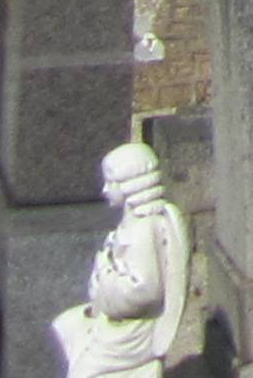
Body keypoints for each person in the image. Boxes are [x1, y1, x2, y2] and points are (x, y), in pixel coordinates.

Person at [53, 140, 190, 376]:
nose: (105, 190)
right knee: (68, 325)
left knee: (84, 371)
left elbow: (145, 291)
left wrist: (105, 276)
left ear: (130, 185)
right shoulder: (133, 223)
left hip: (133, 331)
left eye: (111, 183)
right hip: (118, 321)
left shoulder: (142, 231)